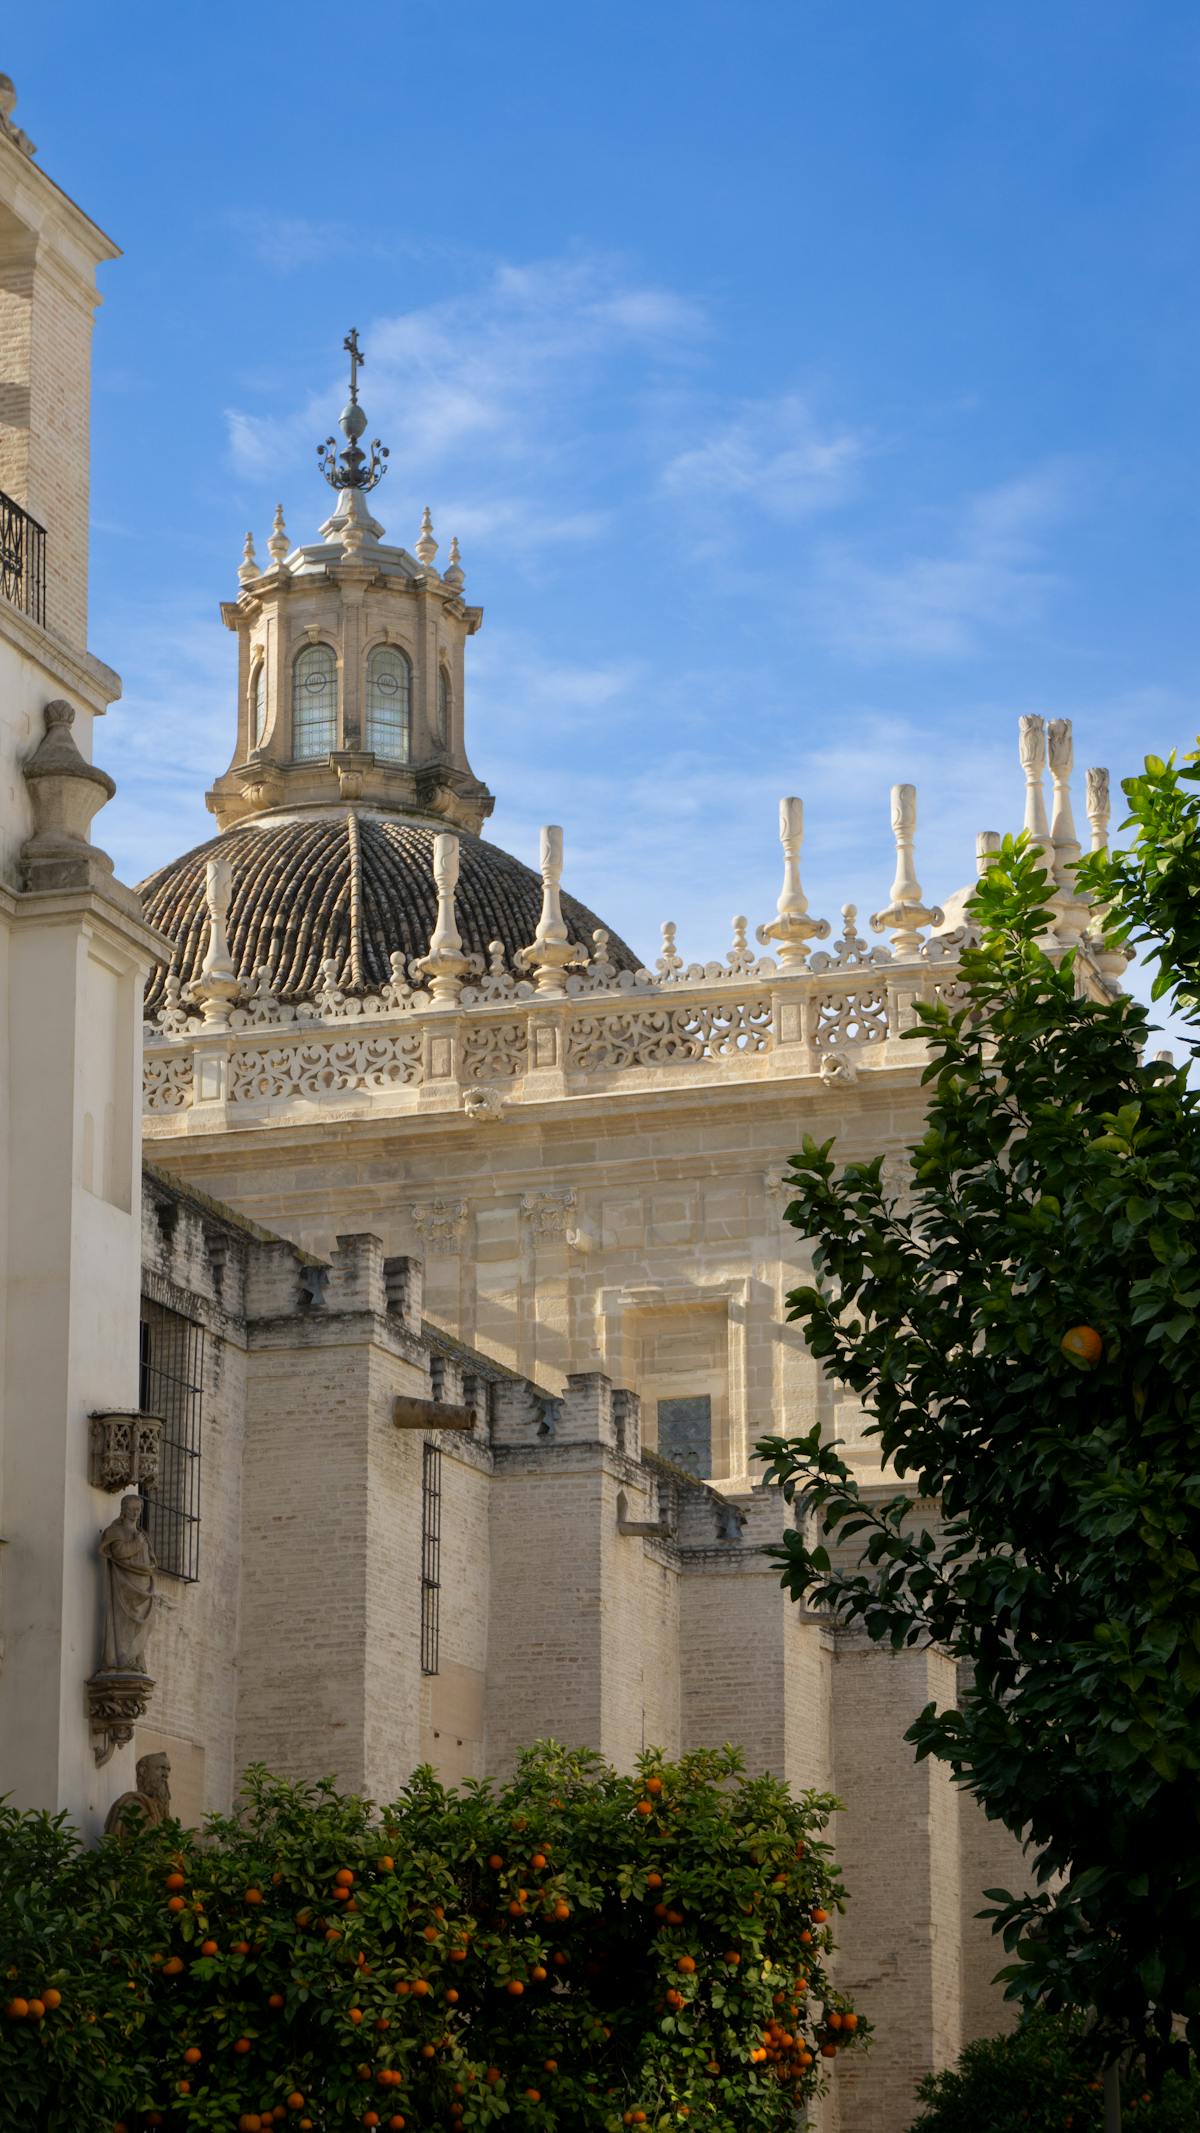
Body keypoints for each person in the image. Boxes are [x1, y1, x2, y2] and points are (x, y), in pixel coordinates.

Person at [99, 1495, 157, 1672]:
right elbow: (118, 1553)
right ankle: (124, 1659)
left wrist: (148, 1564)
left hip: (143, 1585)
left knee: (145, 1622)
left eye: (138, 1509)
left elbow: (151, 1559)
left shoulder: (142, 1535)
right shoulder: (114, 1531)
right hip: (125, 1586)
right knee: (125, 1622)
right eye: (131, 1509)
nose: (135, 1513)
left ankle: (136, 1657)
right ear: (123, 1509)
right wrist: (136, 1545)